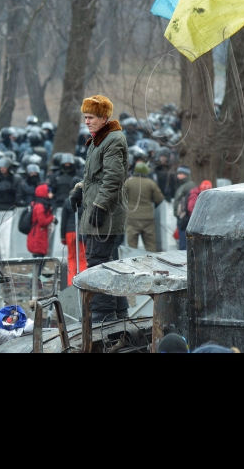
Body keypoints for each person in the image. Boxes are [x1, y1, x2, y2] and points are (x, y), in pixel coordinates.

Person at [71, 94, 129, 322]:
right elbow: (94, 177)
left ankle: (103, 314)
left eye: (91, 117)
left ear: (104, 118)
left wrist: (99, 205)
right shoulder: (98, 140)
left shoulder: (113, 140)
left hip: (107, 210)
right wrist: (79, 188)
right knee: (108, 261)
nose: (87, 121)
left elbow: (114, 177)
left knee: (98, 262)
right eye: (85, 117)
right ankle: (119, 310)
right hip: (100, 206)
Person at [125, 162, 164, 252]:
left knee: (132, 246)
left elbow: (120, 196)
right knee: (150, 245)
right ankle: (152, 264)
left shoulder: (128, 182)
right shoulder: (151, 183)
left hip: (132, 218)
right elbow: (159, 198)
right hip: (147, 218)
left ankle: (132, 264)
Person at [62, 187, 88, 285]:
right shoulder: (85, 200)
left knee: (71, 258)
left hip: (69, 232)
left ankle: (70, 283)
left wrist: (62, 236)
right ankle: (82, 282)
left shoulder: (67, 201)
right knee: (82, 258)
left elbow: (63, 221)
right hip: (81, 232)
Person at [26, 183, 55, 258]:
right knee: (39, 261)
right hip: (38, 236)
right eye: (49, 192)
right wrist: (52, 218)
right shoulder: (40, 207)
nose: (51, 194)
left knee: (40, 261)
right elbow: (42, 222)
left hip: (39, 235)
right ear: (44, 193)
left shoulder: (44, 205)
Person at [173, 167, 195, 251]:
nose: (178, 175)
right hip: (181, 217)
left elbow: (189, 203)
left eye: (180, 173)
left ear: (185, 174)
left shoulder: (189, 185)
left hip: (184, 218)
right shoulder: (182, 185)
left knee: (184, 243)